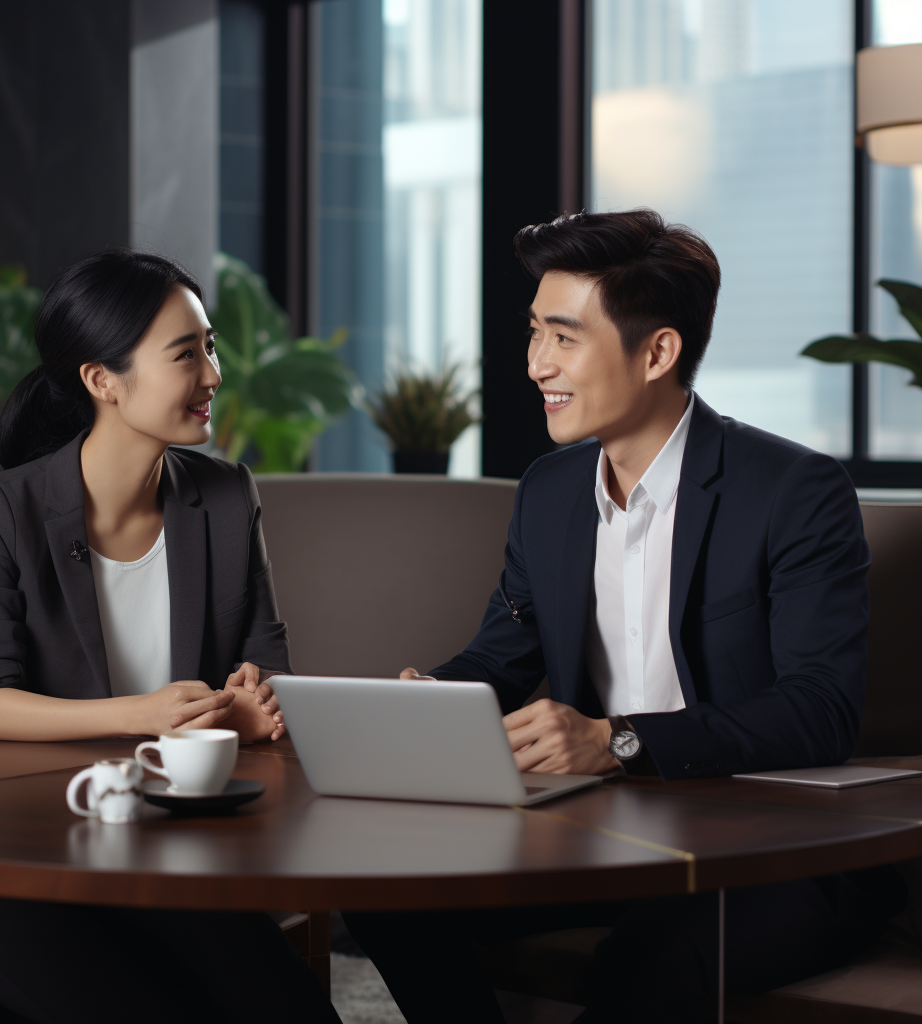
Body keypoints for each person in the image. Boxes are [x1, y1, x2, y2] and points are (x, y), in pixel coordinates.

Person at [343, 209, 906, 1024]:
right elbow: (499, 661)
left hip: (769, 854)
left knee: (641, 963)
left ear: (657, 352)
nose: (536, 365)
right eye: (534, 333)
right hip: (596, 834)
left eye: (563, 338)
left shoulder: (794, 491)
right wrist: (424, 697)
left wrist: (617, 741)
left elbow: (820, 711)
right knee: (384, 895)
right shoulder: (548, 491)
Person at [0, 249, 341, 1023]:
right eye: (187, 353)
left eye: (210, 347)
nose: (213, 374)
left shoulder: (226, 495)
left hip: (154, 844)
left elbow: (269, 676)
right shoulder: (1, 508)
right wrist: (146, 713)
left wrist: (251, 706)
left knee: (287, 1008)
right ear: (102, 381)